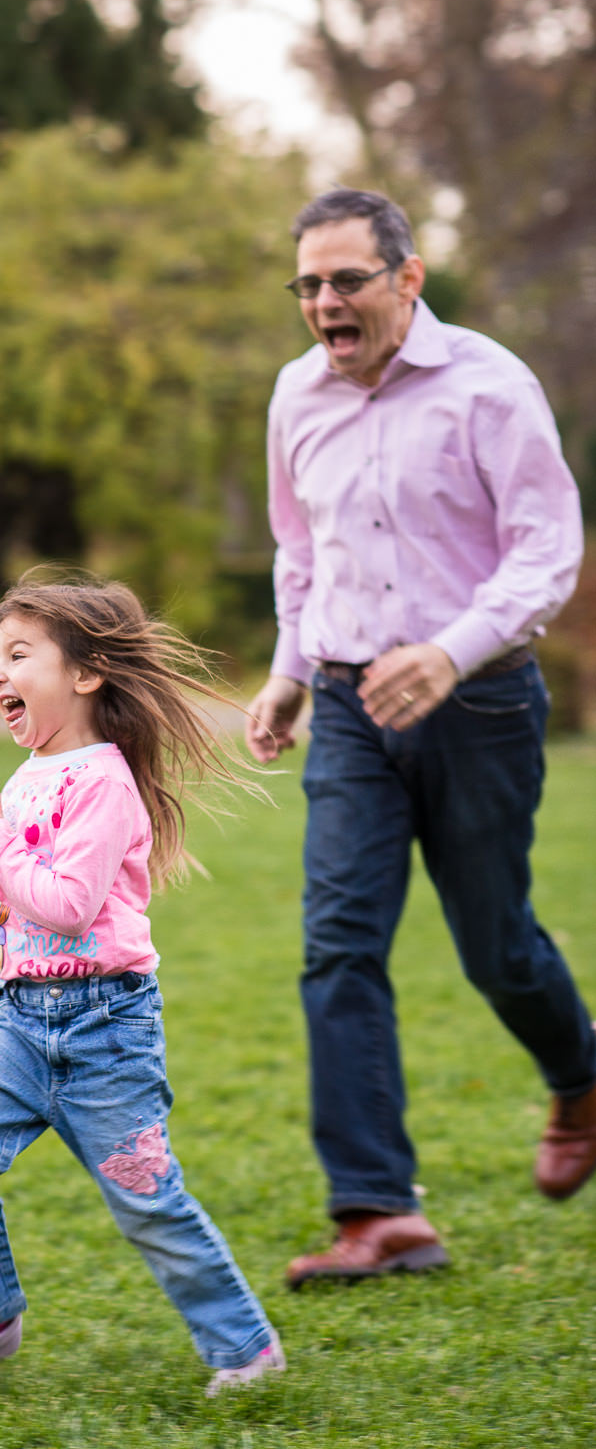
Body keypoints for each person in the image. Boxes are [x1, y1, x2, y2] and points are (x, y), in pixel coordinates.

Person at [244, 186, 596, 1289]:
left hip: (478, 703)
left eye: (345, 279)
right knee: (338, 943)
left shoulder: (490, 387)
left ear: (408, 277)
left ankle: (580, 1075)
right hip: (349, 706)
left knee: (496, 944)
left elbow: (548, 550)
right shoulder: (296, 397)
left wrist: (451, 649)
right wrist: (291, 674)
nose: (322, 302)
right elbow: (301, 555)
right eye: (307, 283)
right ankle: (380, 1210)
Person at [0, 574, 284, 1395]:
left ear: (85, 673)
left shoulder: (103, 782)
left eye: (18, 654)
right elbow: (33, 907)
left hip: (104, 1031)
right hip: (21, 1025)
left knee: (147, 1200)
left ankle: (246, 1350)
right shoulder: (36, 772)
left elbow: (70, 908)